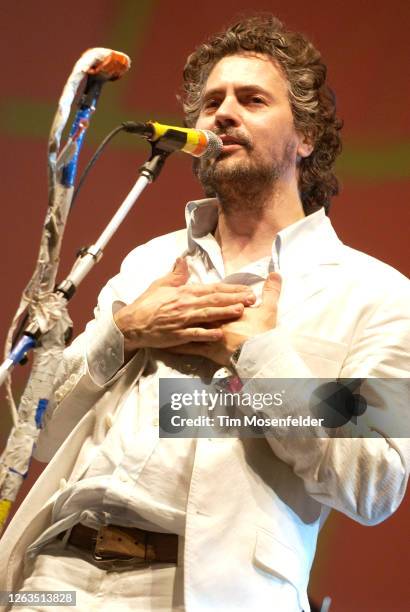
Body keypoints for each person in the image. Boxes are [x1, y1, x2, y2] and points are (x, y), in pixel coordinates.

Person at [1, 14, 409, 612]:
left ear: (307, 137)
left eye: (252, 99)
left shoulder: (374, 292)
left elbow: (377, 480)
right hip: (52, 578)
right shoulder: (151, 259)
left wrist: (259, 358)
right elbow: (38, 435)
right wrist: (123, 333)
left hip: (195, 591)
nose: (221, 114)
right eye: (211, 101)